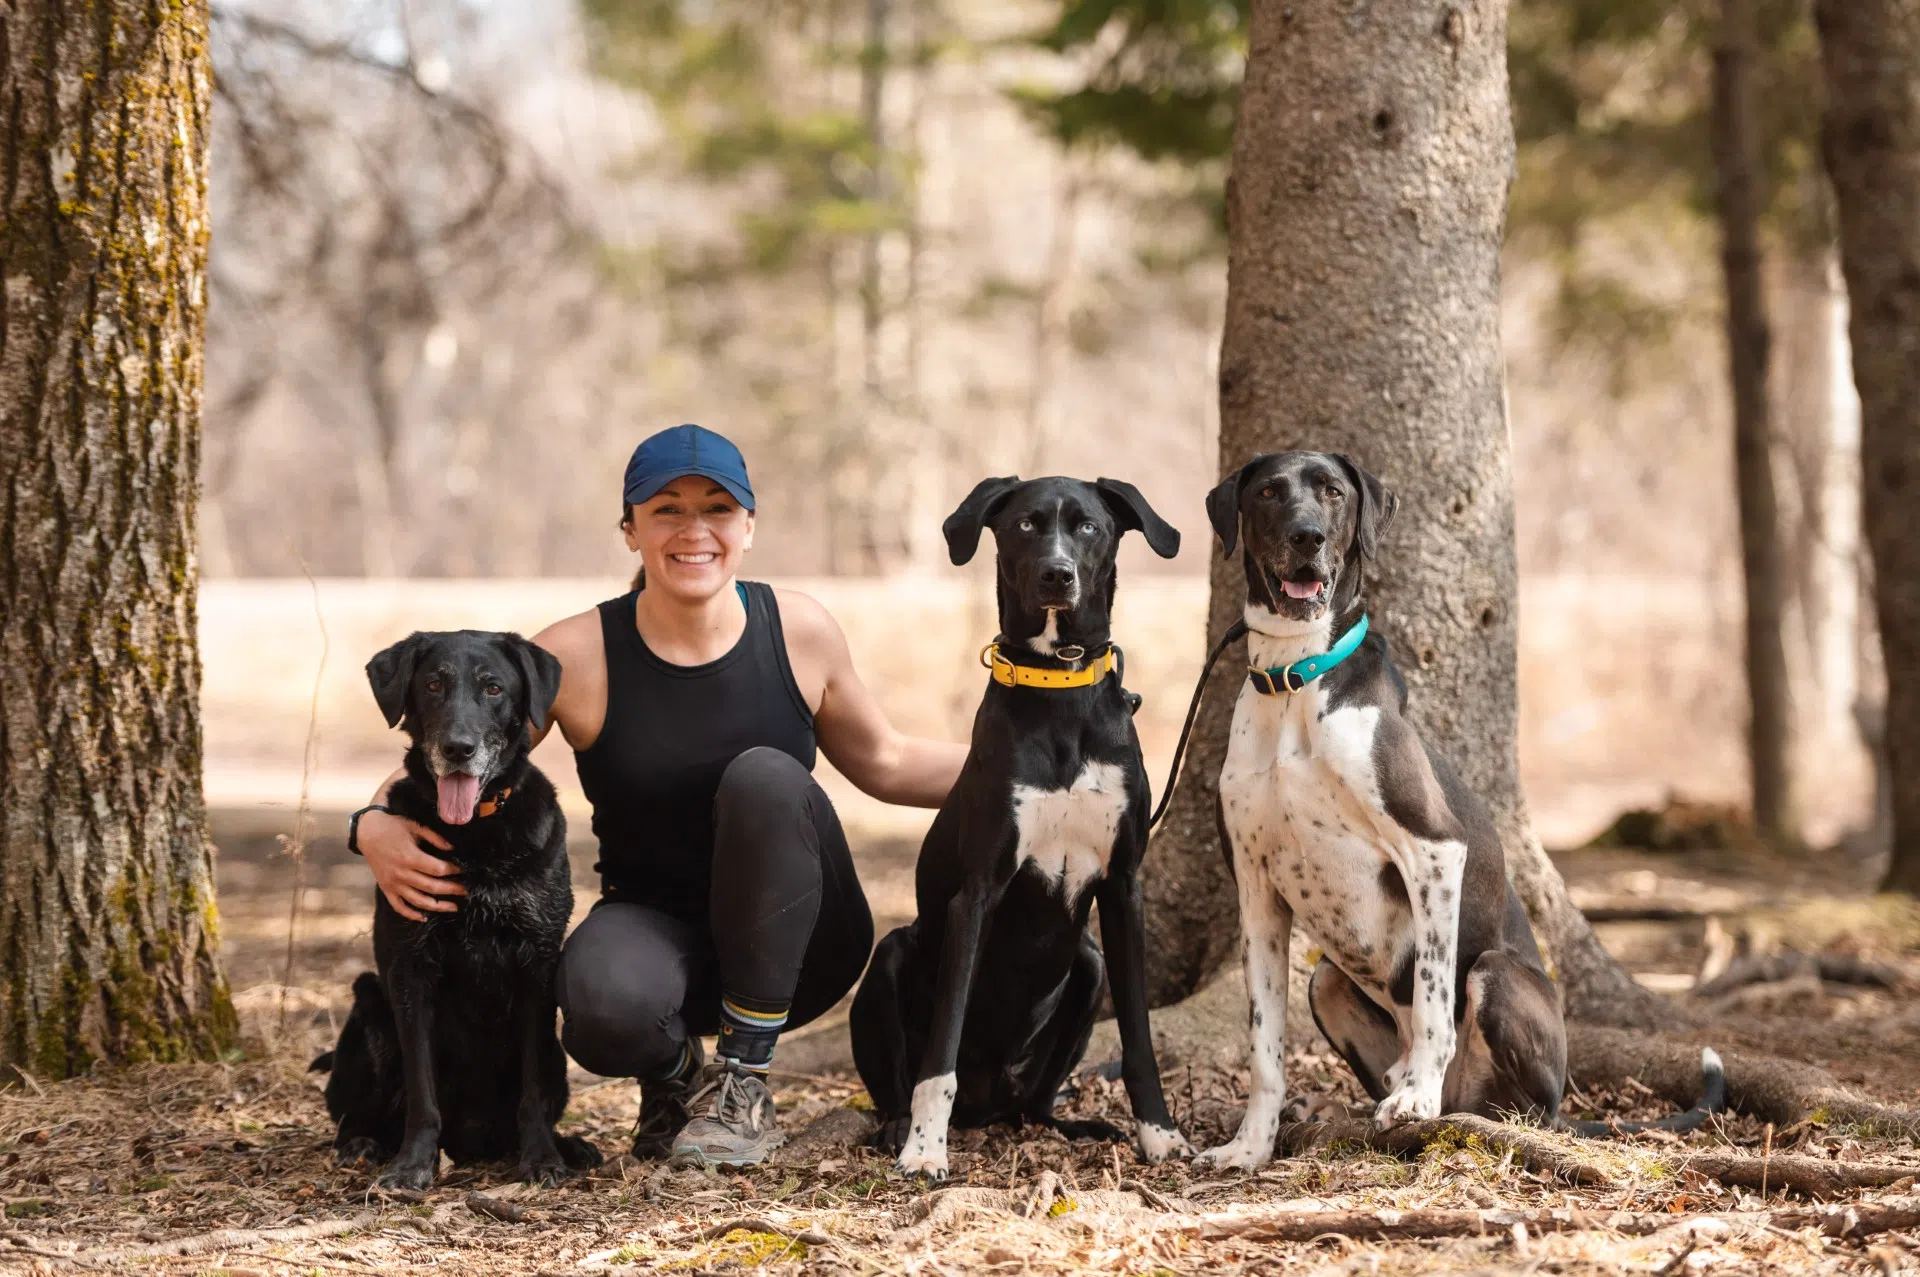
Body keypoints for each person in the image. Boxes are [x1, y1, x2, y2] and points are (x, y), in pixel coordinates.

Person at [348, 424, 967, 1167]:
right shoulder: (578, 653)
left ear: (748, 526)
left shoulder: (798, 628)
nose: (693, 529)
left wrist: (1029, 774)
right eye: (667, 509)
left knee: (765, 776)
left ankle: (743, 1085)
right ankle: (679, 1080)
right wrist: (372, 824)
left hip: (803, 942)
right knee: (598, 1003)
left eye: (717, 508)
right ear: (631, 530)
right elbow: (466, 750)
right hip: (658, 939)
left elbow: (889, 760)